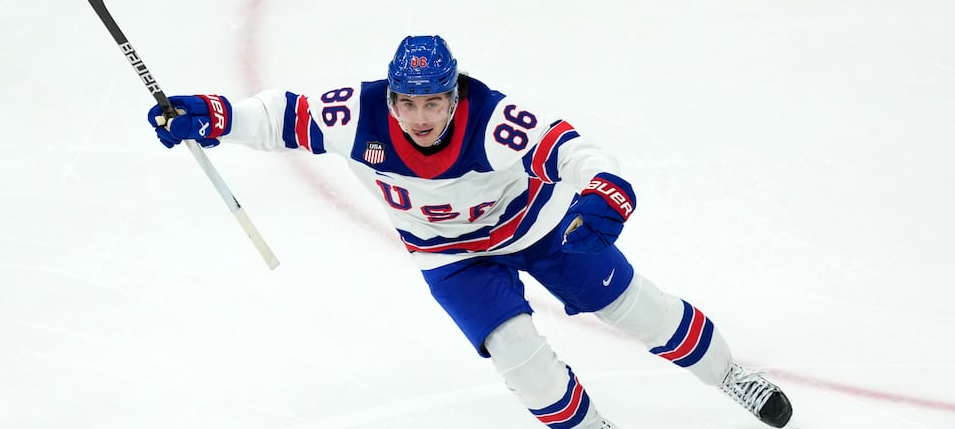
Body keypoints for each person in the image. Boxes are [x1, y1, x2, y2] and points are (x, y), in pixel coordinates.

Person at [147, 35, 793, 428]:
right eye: (409, 103)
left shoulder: (492, 120)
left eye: (434, 102)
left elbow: (573, 150)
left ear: (454, 96)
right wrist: (207, 115)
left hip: (540, 230)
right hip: (451, 258)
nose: (421, 117)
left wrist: (606, 192)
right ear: (392, 97)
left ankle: (732, 375)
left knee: (640, 310)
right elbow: (278, 117)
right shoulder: (357, 115)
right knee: (520, 360)